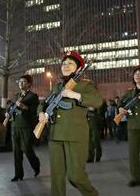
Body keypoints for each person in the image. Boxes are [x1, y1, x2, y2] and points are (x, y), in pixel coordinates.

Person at [38, 51, 102, 196]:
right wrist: (41, 113)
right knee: (57, 177)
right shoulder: (57, 87)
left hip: (75, 135)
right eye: (64, 63)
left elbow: (98, 101)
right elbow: (42, 104)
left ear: (78, 68)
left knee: (75, 176)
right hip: (55, 135)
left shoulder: (85, 85)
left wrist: (76, 95)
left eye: (70, 64)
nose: (66, 66)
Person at [3, 74, 40, 181]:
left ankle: (36, 165)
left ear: (29, 84)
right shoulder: (16, 96)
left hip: (26, 126)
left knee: (27, 149)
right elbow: (10, 108)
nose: (21, 83)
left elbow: (35, 111)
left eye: (23, 82)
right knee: (16, 151)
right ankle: (18, 174)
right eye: (20, 82)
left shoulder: (33, 96)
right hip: (15, 126)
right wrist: (7, 114)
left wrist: (24, 106)